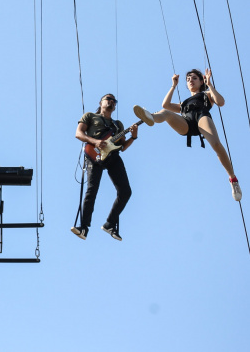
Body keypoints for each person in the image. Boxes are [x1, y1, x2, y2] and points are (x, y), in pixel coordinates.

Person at [133, 68, 241, 201]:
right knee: (165, 113)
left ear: (201, 81)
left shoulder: (206, 94)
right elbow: (165, 104)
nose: (190, 80)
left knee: (216, 144)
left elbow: (221, 102)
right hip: (187, 123)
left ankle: (233, 179)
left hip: (202, 117)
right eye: (188, 79)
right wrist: (173, 85)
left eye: (194, 78)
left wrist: (210, 84)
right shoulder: (182, 104)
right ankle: (150, 117)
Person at [72, 94, 137, 241]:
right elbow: (78, 133)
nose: (112, 102)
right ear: (101, 102)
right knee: (92, 190)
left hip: (113, 157)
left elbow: (122, 146)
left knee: (126, 192)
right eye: (108, 99)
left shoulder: (117, 125)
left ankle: (110, 223)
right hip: (94, 155)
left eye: (114, 101)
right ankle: (83, 227)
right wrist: (94, 141)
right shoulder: (90, 116)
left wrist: (133, 137)